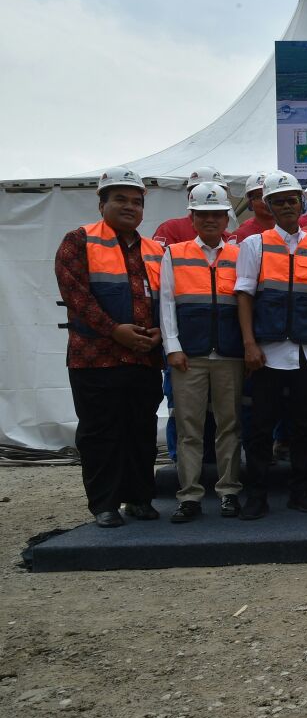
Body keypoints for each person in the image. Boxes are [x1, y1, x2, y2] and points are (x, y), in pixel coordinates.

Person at [55, 166, 164, 527]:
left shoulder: (155, 250)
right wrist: (115, 330)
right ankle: (104, 504)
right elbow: (76, 295)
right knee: (100, 433)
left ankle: (139, 498)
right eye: (120, 199)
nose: (130, 207)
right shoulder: (79, 240)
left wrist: (161, 333)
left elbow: (170, 300)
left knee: (140, 430)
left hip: (143, 358)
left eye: (136, 201)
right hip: (94, 359)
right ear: (101, 203)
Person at [234, 170, 307, 519]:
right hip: (267, 353)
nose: (287, 206)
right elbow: (244, 296)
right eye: (279, 201)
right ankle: (256, 495)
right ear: (269, 207)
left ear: (302, 203)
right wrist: (249, 343)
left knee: (305, 426)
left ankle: (300, 491)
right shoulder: (254, 245)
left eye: (292, 200)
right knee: (259, 428)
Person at [158, 182, 246, 523]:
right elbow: (166, 305)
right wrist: (173, 347)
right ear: (192, 218)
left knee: (230, 426)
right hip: (189, 356)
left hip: (229, 354)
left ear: (227, 219)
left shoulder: (241, 255)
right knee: (189, 429)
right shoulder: (175, 254)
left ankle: (228, 492)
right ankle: (189, 496)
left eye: (217, 215)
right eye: (203, 215)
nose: (210, 220)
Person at [153, 167, 226, 246]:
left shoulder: (227, 237)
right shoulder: (170, 230)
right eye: (200, 191)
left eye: (217, 191)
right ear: (190, 197)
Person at [235, 173, 275, 242]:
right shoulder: (242, 235)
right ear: (250, 203)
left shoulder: (291, 229)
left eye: (269, 194)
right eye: (259, 196)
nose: (265, 201)